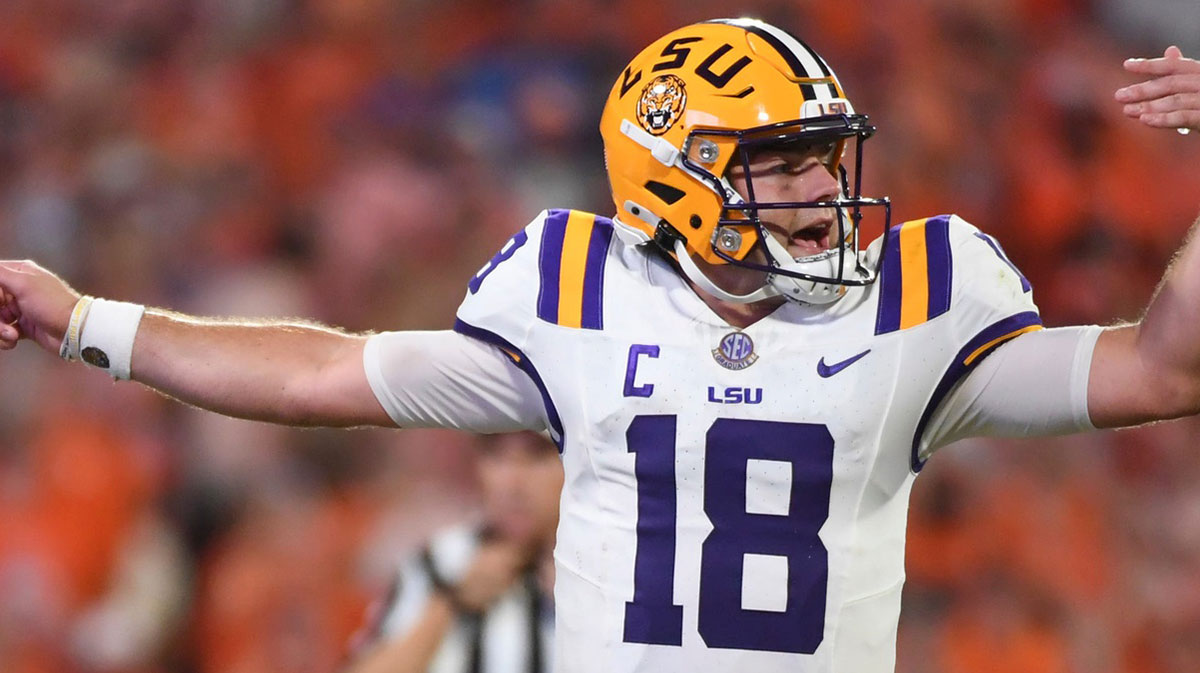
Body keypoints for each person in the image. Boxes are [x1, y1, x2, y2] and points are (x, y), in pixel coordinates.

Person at [0, 17, 1198, 673]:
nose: (824, 188)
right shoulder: (574, 285)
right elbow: (326, 369)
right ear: (674, 186)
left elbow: (1164, 365)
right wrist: (85, 320)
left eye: (826, 155)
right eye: (780, 162)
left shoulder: (922, 292)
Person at [345, 431, 561, 673]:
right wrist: (451, 602)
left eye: (537, 456)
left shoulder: (602, 569)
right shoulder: (441, 562)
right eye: (496, 456)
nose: (513, 482)